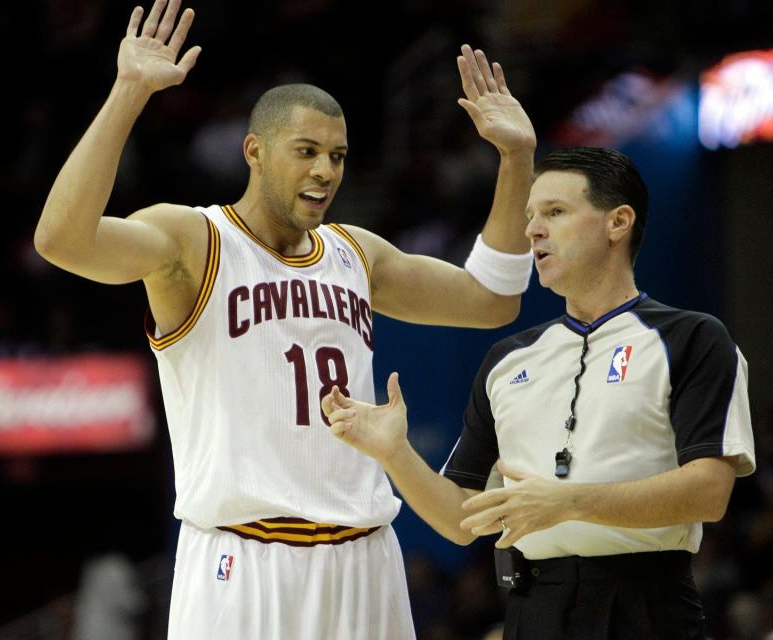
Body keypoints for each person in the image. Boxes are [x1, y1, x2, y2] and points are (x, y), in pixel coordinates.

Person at [34, 0, 537, 637]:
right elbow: (62, 240)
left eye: (338, 156)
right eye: (306, 151)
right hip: (242, 558)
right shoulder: (193, 240)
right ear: (255, 151)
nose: (325, 171)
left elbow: (491, 300)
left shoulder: (357, 252)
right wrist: (129, 92)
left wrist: (516, 160)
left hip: (364, 556)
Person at [322, 146, 756, 639]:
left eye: (555, 212)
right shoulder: (508, 360)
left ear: (618, 222)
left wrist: (568, 502)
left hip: (647, 604)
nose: (532, 230)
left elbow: (708, 492)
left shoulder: (692, 338)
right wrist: (394, 453)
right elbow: (461, 520)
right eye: (530, 215)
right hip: (534, 609)